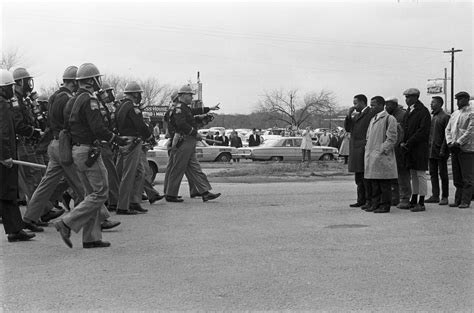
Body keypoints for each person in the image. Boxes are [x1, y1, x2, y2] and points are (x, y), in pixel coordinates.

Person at [53, 63, 128, 249]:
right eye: (96, 78)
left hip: (77, 150)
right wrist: (117, 139)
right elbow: (98, 128)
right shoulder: (89, 100)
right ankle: (66, 222)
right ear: (90, 80)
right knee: (100, 193)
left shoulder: (72, 99)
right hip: (89, 151)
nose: (98, 82)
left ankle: (91, 237)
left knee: (90, 194)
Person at [165, 85, 221, 202]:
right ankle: (170, 194)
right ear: (183, 96)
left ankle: (205, 192)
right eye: (190, 95)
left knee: (195, 168)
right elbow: (181, 124)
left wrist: (209, 108)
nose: (192, 97)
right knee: (178, 168)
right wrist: (194, 133)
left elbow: (193, 112)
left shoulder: (185, 108)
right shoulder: (179, 108)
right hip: (183, 141)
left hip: (188, 141)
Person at [0, 69, 35, 242]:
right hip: (4, 156)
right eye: (9, 87)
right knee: (9, 191)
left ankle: (15, 228)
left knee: (6, 193)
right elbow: (4, 132)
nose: (11, 90)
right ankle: (15, 230)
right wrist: (5, 155)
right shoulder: (2, 104)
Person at [115, 81, 154, 215]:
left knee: (139, 172)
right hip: (133, 142)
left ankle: (134, 201)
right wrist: (149, 137)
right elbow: (140, 125)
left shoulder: (120, 107)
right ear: (136, 94)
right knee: (129, 174)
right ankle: (123, 206)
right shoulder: (132, 108)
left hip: (122, 141)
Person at [344, 94, 379, 208]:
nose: (354, 106)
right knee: (359, 177)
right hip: (356, 148)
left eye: (356, 103)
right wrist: (348, 115)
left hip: (363, 148)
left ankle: (369, 200)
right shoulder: (357, 115)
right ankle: (361, 199)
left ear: (363, 102)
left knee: (365, 177)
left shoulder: (370, 113)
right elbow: (348, 128)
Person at [363, 101, 398, 213]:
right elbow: (368, 136)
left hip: (382, 155)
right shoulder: (373, 119)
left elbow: (391, 138)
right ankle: (375, 204)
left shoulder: (389, 119)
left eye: (374, 105)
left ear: (381, 105)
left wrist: (382, 149)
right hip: (372, 154)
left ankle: (385, 205)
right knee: (374, 183)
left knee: (384, 183)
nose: (372, 107)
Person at [400, 88, 431, 212]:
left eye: (409, 97)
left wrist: (409, 141)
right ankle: (414, 198)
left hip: (419, 148)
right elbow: (405, 128)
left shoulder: (423, 111)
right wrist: (403, 141)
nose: (407, 100)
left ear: (416, 97)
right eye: (406, 97)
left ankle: (421, 201)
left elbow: (423, 131)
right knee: (413, 174)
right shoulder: (409, 111)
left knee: (421, 174)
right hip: (409, 148)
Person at [445, 91, 473, 209]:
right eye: (457, 99)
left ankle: (465, 200)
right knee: (457, 176)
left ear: (466, 99)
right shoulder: (455, 114)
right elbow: (448, 129)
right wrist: (450, 142)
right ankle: (458, 199)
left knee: (467, 176)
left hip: (466, 149)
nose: (458, 102)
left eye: (461, 99)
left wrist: (459, 142)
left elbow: (470, 131)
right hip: (455, 149)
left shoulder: (471, 113)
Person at [425, 96, 450, 205]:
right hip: (431, 150)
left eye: (433, 102)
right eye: (431, 102)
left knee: (443, 174)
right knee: (433, 173)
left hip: (441, 150)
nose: (431, 104)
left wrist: (443, 149)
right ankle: (435, 195)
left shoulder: (445, 117)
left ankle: (445, 196)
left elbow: (447, 135)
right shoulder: (432, 117)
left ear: (440, 104)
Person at [385, 98, 410, 208]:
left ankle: (404, 197)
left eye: (388, 105)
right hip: (391, 149)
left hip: (400, 150)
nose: (386, 107)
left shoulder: (403, 115)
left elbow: (404, 132)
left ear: (394, 105)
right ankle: (395, 197)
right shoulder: (388, 116)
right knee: (393, 175)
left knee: (402, 175)